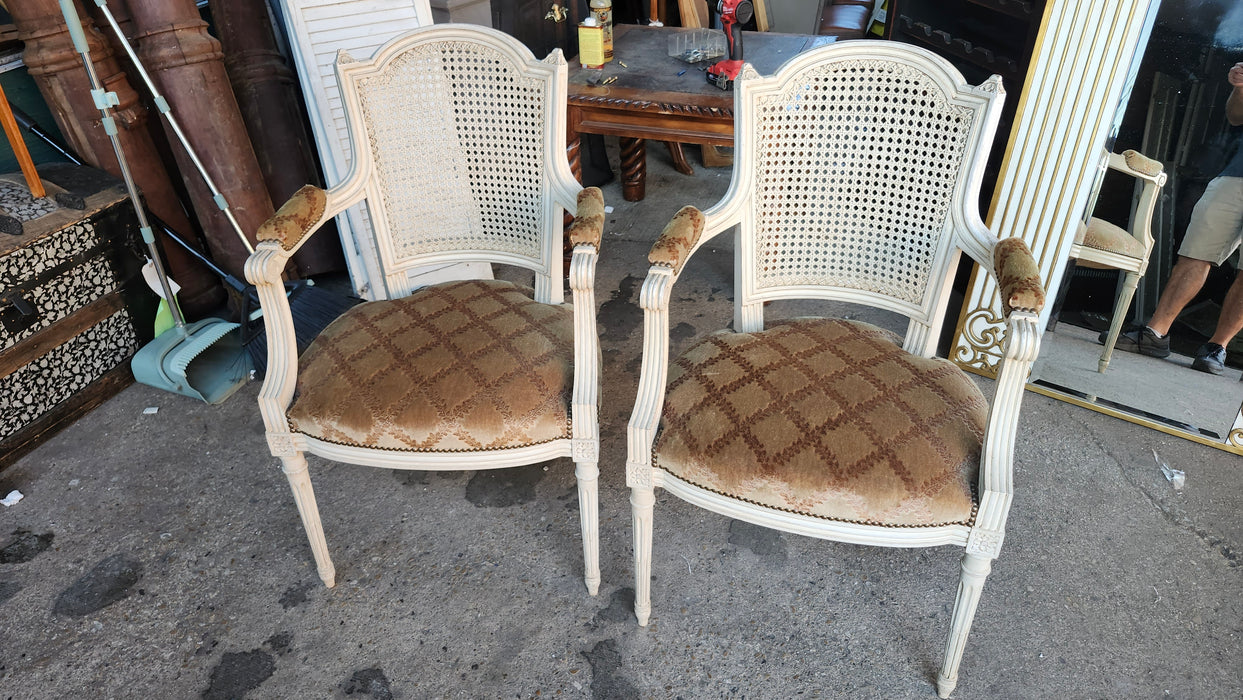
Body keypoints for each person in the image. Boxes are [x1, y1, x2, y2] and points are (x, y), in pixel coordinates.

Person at [1114, 61, 1243, 374]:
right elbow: (1236, 116)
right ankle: (1155, 333)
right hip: (1236, 176)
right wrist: (1239, 88)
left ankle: (1217, 347)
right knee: (1195, 253)